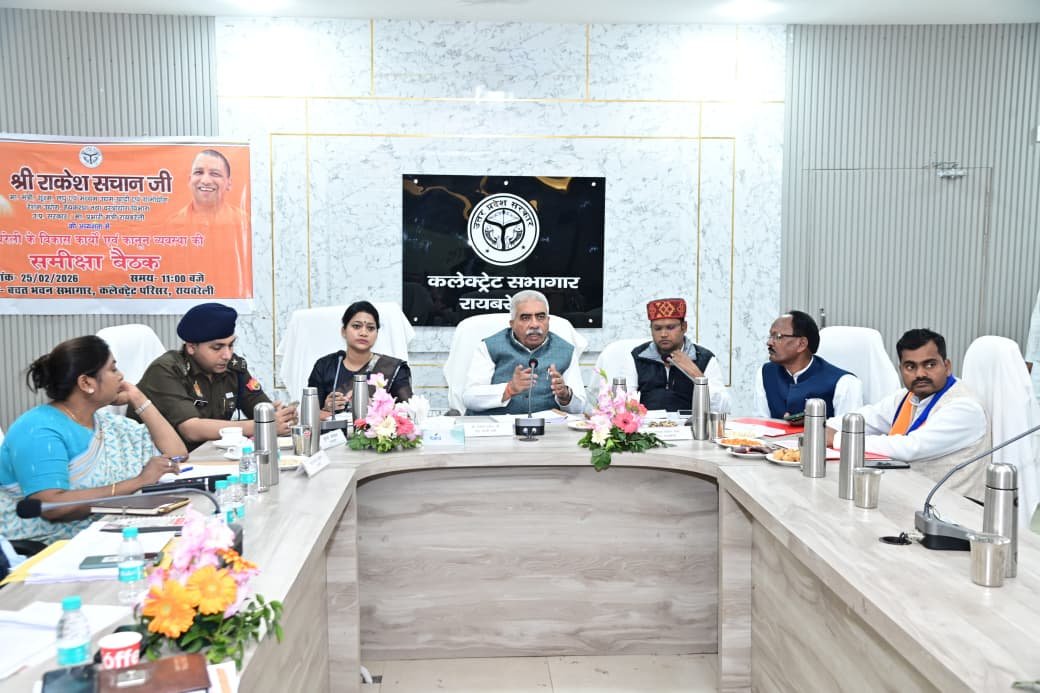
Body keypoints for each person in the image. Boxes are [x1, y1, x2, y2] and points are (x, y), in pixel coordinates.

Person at [0, 336, 188, 544]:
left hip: (107, 532)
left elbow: (177, 454)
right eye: (113, 369)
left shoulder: (104, 422)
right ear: (86, 383)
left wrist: (138, 398)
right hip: (45, 547)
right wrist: (138, 482)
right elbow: (51, 507)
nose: (121, 376)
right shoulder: (38, 429)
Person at [825, 328, 990, 501]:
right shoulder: (908, 396)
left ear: (947, 366)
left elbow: (911, 447)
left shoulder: (965, 407)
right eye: (911, 367)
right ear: (901, 369)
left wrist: (838, 439)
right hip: (913, 498)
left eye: (930, 365)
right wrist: (822, 428)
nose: (920, 374)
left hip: (953, 507)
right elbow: (868, 417)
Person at [134, 302, 296, 450]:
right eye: (217, 347)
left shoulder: (233, 367)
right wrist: (261, 425)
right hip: (165, 461)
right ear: (191, 347)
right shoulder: (166, 370)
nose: (227, 355)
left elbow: (259, 407)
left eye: (231, 345)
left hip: (210, 454)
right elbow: (191, 430)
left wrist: (280, 417)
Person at [463, 290, 586, 415]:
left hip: (546, 425)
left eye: (540, 317)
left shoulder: (566, 350)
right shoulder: (489, 346)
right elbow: (469, 397)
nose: (534, 324)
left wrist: (565, 396)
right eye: (525, 318)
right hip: (493, 424)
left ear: (548, 321)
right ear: (512, 324)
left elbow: (579, 409)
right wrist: (509, 389)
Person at [616, 297, 730, 412]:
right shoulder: (637, 357)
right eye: (657, 328)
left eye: (670, 327)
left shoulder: (704, 358)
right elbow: (622, 404)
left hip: (691, 422)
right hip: (647, 422)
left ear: (684, 327)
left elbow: (723, 408)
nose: (663, 334)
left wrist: (697, 375)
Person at [308, 301, 413, 417]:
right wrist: (326, 409)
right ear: (343, 331)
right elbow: (309, 416)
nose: (363, 333)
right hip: (333, 429)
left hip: (375, 429)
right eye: (356, 326)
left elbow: (408, 415)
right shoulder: (325, 366)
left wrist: (373, 407)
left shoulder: (393, 368)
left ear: (377, 334)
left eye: (370, 328)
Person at [753, 310, 863, 419]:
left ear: (802, 344)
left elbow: (847, 429)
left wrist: (815, 424)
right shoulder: (765, 373)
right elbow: (761, 423)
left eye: (778, 336)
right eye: (770, 336)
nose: (769, 342)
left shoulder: (845, 383)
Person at [167, 149, 250, 292]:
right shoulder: (172, 225)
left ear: (229, 183)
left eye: (215, 174)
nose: (205, 180)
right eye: (199, 172)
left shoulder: (244, 223)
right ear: (189, 180)